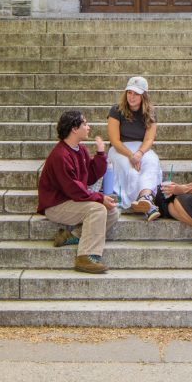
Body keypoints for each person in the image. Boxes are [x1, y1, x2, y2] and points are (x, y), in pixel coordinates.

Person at [37, 109, 120, 274]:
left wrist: (101, 154)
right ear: (74, 128)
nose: (88, 127)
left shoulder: (79, 150)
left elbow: (89, 177)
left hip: (71, 199)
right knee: (97, 209)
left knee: (113, 212)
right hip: (56, 204)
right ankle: (86, 256)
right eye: (85, 123)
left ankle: (72, 235)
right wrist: (99, 198)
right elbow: (73, 189)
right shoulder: (60, 155)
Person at [105, 76, 162, 215]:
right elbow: (114, 140)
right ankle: (136, 201)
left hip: (141, 148)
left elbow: (149, 139)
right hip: (120, 149)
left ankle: (145, 197)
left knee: (151, 161)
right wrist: (131, 155)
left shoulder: (150, 112)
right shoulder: (116, 110)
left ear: (144, 95)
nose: (132, 96)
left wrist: (139, 153)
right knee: (130, 168)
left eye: (136, 93)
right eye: (129, 92)